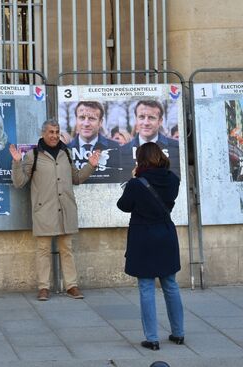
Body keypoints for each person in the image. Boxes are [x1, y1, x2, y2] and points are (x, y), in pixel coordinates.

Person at [10, 119, 100, 301]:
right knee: (43, 250)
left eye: (57, 132)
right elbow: (19, 182)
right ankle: (44, 287)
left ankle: (71, 286)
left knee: (67, 249)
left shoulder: (66, 153)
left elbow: (76, 178)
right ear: (43, 133)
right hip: (44, 211)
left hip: (65, 210)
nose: (54, 136)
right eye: (51, 132)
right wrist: (17, 163)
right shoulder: (33, 155)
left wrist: (90, 165)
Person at [117, 142, 184, 351]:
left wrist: (132, 179)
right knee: (170, 284)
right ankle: (179, 333)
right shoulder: (172, 179)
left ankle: (152, 338)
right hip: (165, 234)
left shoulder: (137, 184)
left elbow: (124, 205)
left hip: (143, 237)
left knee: (146, 287)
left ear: (141, 159)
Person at [122, 100, 180, 178]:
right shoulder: (122, 151)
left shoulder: (177, 148)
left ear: (160, 121)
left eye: (151, 118)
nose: (146, 123)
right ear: (136, 119)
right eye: (141, 117)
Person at [67, 101, 121, 183]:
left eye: (91, 118)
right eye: (82, 118)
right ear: (76, 120)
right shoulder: (66, 150)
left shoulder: (115, 149)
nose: (86, 124)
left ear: (100, 122)